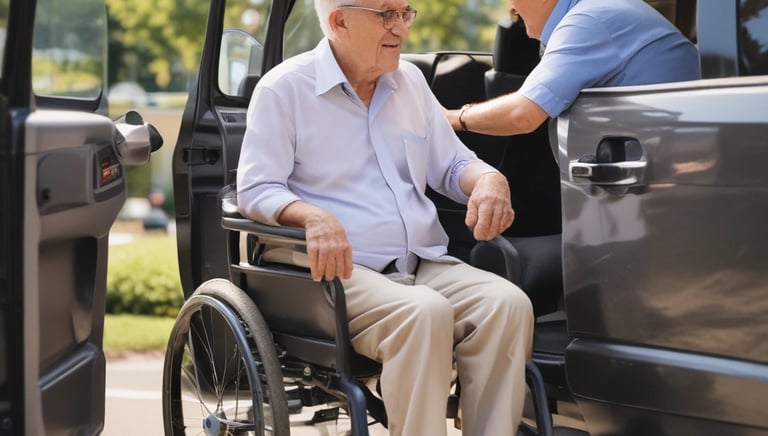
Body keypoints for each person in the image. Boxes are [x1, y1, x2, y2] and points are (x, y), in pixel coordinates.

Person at [235, 0, 534, 435]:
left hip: (419, 262)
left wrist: (489, 180)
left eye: (405, 13)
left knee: (507, 305)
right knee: (425, 313)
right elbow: (257, 189)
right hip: (334, 275)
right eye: (385, 15)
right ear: (339, 21)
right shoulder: (284, 89)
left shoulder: (409, 82)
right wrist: (312, 216)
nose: (401, 28)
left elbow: (451, 165)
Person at [445, 0, 701, 135]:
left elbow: (522, 115)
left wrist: (450, 119)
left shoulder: (587, 20)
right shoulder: (595, 11)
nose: (511, 7)